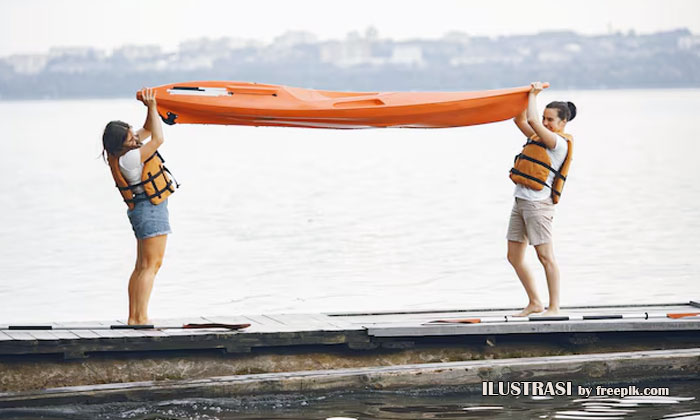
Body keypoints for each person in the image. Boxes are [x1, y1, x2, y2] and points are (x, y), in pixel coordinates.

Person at [102, 88, 177, 325]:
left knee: (141, 266)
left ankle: (134, 317)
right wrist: (154, 108)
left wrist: (149, 107)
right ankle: (141, 318)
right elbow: (158, 138)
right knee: (151, 266)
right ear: (122, 145)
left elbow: (146, 131)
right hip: (151, 209)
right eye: (131, 138)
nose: (136, 138)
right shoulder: (131, 157)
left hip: (141, 210)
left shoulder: (120, 153)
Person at [507, 81, 577, 317]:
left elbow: (533, 121)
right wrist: (520, 97)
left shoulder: (558, 143)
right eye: (544, 118)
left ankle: (554, 307)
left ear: (562, 122)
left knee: (545, 257)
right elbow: (521, 120)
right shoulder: (539, 137)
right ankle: (535, 302)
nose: (545, 123)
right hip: (521, 203)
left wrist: (534, 95)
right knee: (513, 257)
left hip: (538, 205)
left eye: (551, 120)